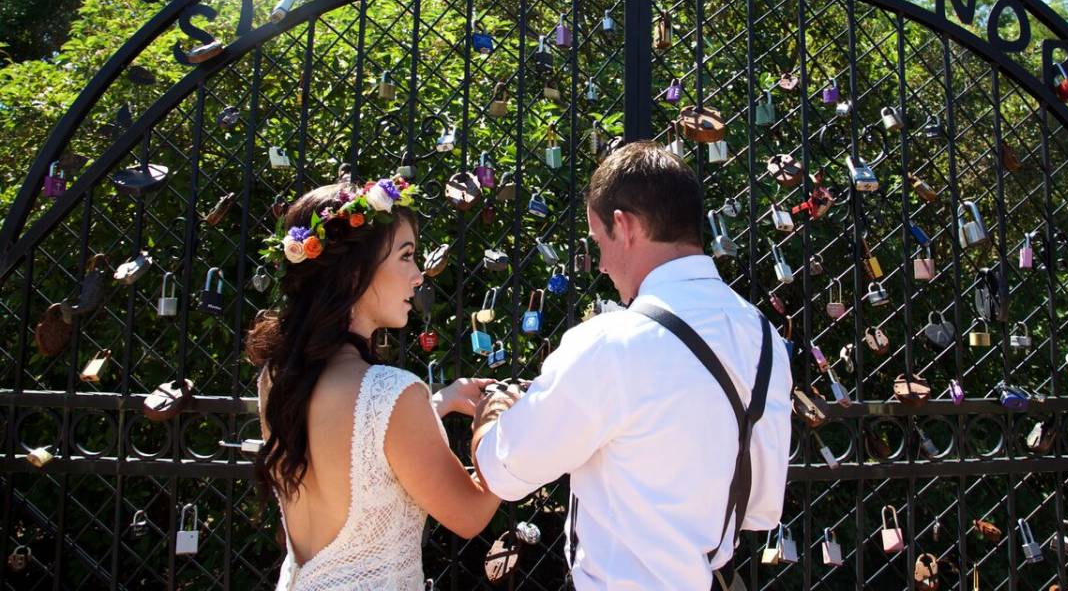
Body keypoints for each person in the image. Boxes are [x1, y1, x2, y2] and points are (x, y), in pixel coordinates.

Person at [472, 141, 794, 590]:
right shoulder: (764, 337)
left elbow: (504, 470)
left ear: (623, 227)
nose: (600, 264)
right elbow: (761, 507)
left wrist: (493, 412)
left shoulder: (610, 342)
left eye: (597, 241)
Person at [246, 176, 500, 591]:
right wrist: (496, 424)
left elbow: (354, 449)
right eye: (406, 256)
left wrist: (438, 403)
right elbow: (469, 516)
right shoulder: (393, 392)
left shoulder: (277, 378)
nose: (418, 276)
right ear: (354, 273)